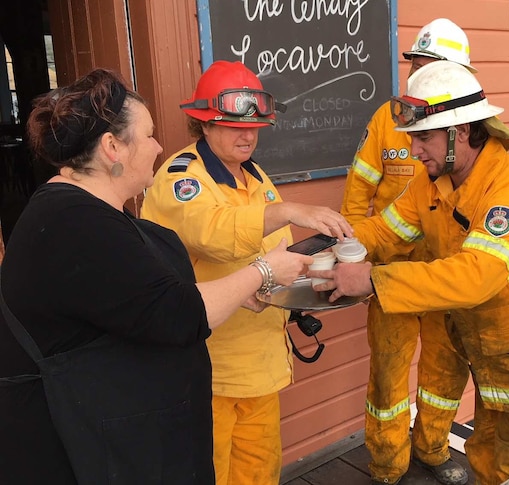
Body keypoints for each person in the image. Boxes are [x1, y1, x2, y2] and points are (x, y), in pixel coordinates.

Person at [0, 68, 311, 484]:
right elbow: (177, 312)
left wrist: (244, 291)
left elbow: (143, 302)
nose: (158, 146)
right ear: (112, 147)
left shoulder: (86, 213)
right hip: (80, 448)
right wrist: (265, 270)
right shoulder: (74, 222)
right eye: (147, 135)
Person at [310, 60, 509, 485]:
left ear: (460, 133)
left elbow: (478, 275)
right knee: (484, 457)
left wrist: (372, 280)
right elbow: (386, 228)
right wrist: (335, 245)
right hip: (495, 356)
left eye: (423, 138)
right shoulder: (432, 183)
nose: (413, 151)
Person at [141, 60, 353, 485]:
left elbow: (273, 251)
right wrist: (290, 208)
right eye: (233, 124)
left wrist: (321, 271)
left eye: (255, 125)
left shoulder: (255, 175)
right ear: (202, 124)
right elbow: (215, 233)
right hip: (211, 372)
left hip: (261, 365)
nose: (247, 134)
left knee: (259, 472)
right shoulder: (182, 179)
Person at [340, 18, 476, 485]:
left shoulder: (470, 135)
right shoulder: (388, 118)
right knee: (389, 376)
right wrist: (355, 259)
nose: (416, 74)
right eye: (414, 64)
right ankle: (387, 464)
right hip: (390, 276)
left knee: (445, 368)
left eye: (427, 65)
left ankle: (433, 448)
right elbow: (359, 193)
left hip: (444, 279)